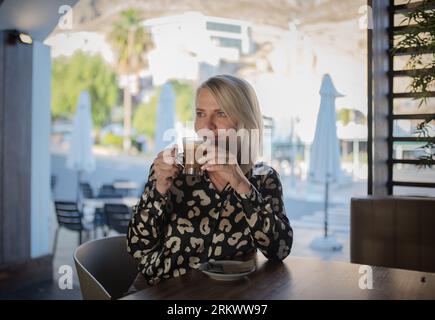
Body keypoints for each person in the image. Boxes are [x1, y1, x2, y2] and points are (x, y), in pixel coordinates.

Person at [126, 74, 293, 289]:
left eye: (221, 113)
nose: (207, 125)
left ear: (244, 122)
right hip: (159, 291)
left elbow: (279, 250)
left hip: (227, 297)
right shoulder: (173, 170)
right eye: (200, 113)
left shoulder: (263, 178)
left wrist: (240, 183)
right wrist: (158, 190)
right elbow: (136, 247)